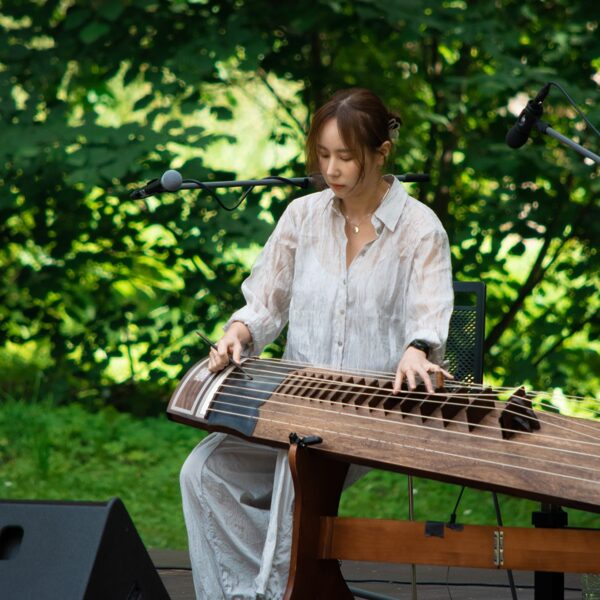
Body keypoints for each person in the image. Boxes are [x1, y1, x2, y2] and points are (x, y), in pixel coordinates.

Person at [180, 88, 454, 599]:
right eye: (323, 155)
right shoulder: (302, 217)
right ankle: (261, 592)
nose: (331, 169)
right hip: (294, 403)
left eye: (345, 156)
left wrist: (417, 348)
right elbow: (265, 304)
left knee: (296, 471)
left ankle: (276, 590)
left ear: (381, 152)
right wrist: (238, 334)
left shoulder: (420, 229)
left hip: (368, 412)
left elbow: (429, 317)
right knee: (203, 471)